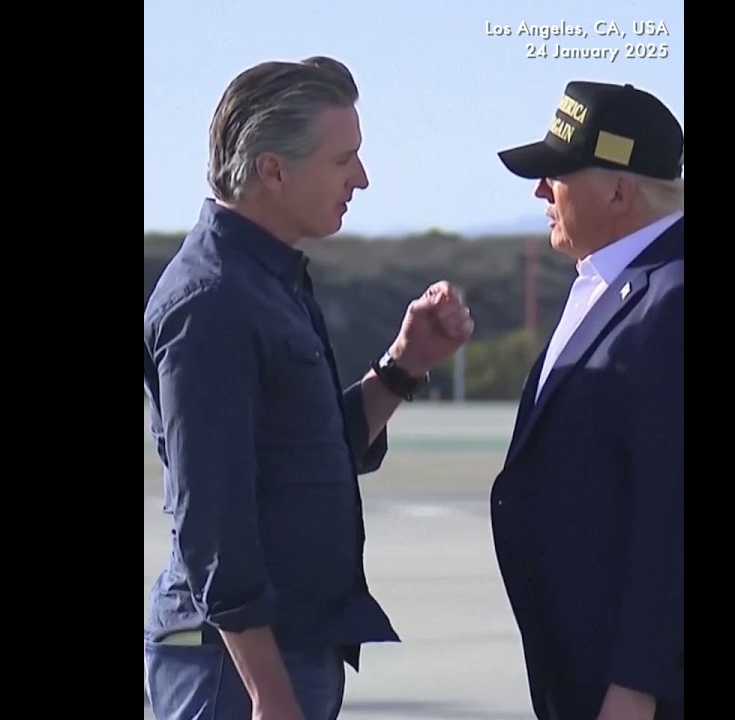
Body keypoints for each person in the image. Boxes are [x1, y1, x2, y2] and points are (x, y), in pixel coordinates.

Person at [142, 56, 474, 720]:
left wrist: (404, 366)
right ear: (273, 169)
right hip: (234, 670)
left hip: (277, 653)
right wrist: (269, 692)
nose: (362, 177)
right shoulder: (213, 302)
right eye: (342, 159)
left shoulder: (265, 280)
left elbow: (309, 455)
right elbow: (213, 516)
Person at [491, 81, 685, 720]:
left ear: (621, 191)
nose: (540, 192)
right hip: (584, 671)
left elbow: (671, 512)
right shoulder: (617, 280)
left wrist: (637, 685)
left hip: (632, 688)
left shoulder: (671, 298)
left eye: (557, 174)